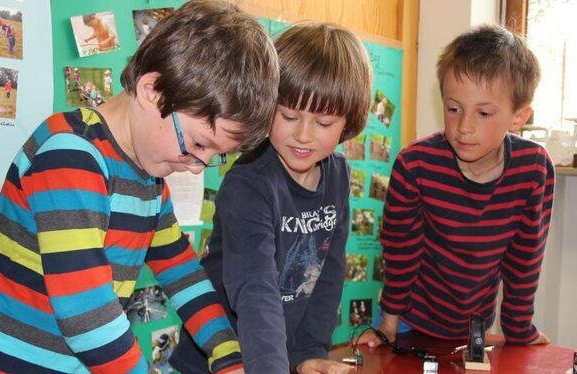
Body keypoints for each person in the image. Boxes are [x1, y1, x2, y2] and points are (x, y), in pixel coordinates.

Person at [0, 1, 279, 372]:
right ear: (153, 91)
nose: (197, 168)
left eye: (215, 155)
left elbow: (184, 275)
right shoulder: (70, 155)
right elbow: (87, 316)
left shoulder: (149, 181)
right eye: (198, 144)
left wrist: (227, 354)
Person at [171, 22, 373, 373]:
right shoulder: (248, 185)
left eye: (323, 123)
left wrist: (309, 352)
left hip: (277, 358)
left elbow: (327, 275)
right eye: (289, 116)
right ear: (266, 107)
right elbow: (255, 290)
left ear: (348, 122)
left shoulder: (338, 177)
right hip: (217, 360)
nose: (304, 135)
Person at [356, 24, 553, 348]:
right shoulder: (416, 166)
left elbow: (525, 257)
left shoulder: (533, 169)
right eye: (453, 109)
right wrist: (388, 323)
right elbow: (401, 249)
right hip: (407, 320)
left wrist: (519, 330)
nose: (464, 127)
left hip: (474, 328)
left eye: (484, 113)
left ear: (519, 116)